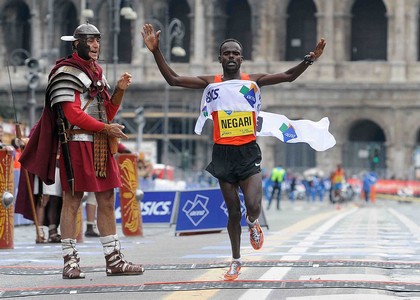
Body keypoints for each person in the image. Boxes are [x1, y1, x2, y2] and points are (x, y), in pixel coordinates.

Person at [142, 24, 326, 280]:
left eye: (235, 53)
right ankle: (236, 260)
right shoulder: (211, 83)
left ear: (242, 58)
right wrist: (156, 51)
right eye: (226, 53)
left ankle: (253, 223)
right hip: (223, 154)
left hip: (248, 153)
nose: (231, 57)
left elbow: (287, 76)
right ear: (220, 59)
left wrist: (309, 59)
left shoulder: (253, 81)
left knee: (252, 206)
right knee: (233, 212)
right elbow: (173, 80)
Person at [19, 23, 144, 279]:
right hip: (75, 143)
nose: (96, 45)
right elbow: (72, 114)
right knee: (73, 200)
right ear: (77, 44)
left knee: (107, 199)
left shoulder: (97, 72)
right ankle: (70, 261)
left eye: (98, 39)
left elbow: (106, 112)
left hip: (99, 144)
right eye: (90, 40)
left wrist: (119, 90)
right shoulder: (65, 72)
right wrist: (106, 128)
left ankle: (113, 259)